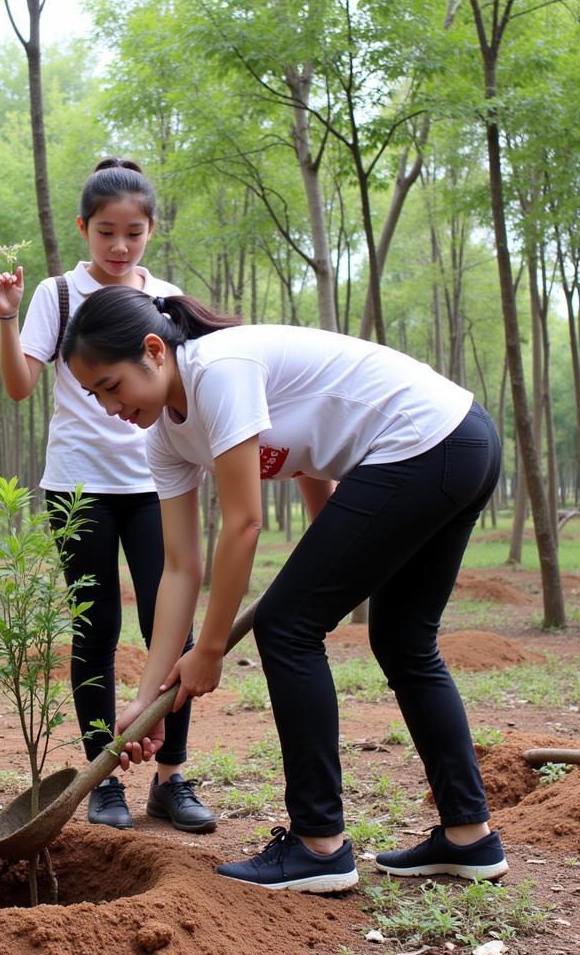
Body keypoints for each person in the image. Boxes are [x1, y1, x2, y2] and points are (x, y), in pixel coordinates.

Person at [62, 284, 509, 893]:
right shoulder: (165, 438)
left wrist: (212, 646)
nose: (110, 407)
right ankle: (469, 836)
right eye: (94, 396)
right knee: (403, 641)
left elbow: (244, 524)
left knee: (285, 625)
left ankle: (318, 843)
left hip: (426, 441)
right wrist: (148, 698)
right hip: (457, 440)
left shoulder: (219, 370)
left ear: (153, 351)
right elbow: (180, 568)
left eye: (112, 386)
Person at [0, 159, 215, 834]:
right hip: (79, 485)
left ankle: (171, 776)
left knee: (171, 627)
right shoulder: (58, 295)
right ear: (83, 229)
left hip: (157, 481)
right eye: (107, 232)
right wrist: (8, 318)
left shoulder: (165, 299)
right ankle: (103, 776)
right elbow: (21, 386)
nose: (119, 247)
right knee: (97, 629)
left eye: (134, 233)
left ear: (150, 233)